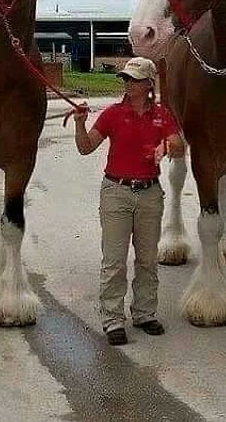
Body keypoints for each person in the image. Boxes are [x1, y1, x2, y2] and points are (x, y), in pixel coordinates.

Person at [71, 56, 185, 346]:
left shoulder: (162, 114)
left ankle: (144, 313)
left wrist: (166, 145)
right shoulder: (111, 114)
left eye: (134, 79)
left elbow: (178, 145)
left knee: (147, 260)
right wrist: (80, 124)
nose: (128, 84)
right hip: (116, 192)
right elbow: (86, 148)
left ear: (149, 83)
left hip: (149, 193)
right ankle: (112, 319)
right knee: (114, 261)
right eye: (126, 79)